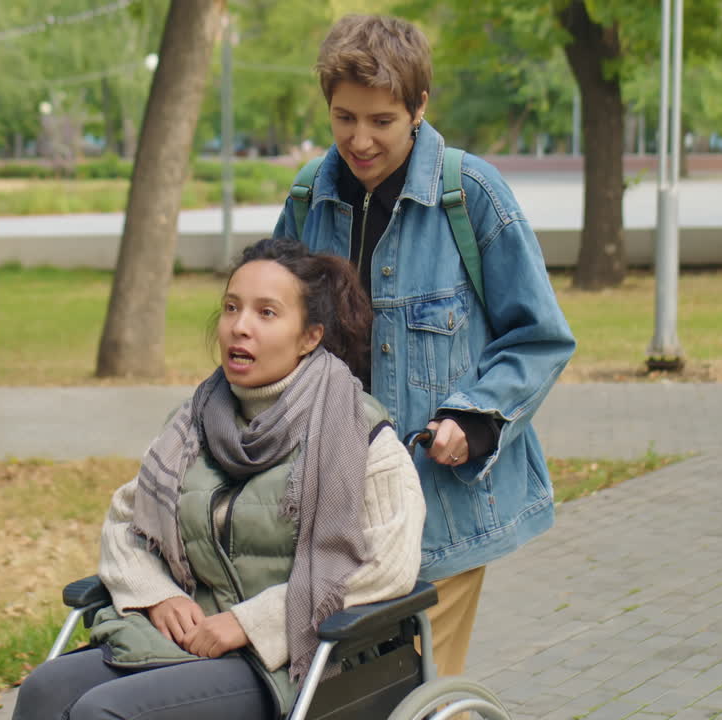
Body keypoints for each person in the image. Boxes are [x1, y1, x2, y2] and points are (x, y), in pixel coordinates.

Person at [273, 15, 577, 679]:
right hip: (329, 506)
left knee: (413, 686)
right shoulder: (307, 200)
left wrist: (473, 417)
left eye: (380, 120)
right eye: (343, 117)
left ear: (419, 108)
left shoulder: (473, 196)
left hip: (437, 509)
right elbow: (277, 334)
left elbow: (540, 338)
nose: (359, 139)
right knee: (350, 687)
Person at [12, 237, 425, 720]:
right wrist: (156, 592)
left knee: (106, 712)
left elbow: (388, 565)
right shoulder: (191, 425)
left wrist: (250, 624)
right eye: (232, 308)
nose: (239, 327)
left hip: (303, 658)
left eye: (266, 313)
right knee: (45, 691)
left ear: (310, 336)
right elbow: (127, 523)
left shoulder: (358, 435)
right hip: (195, 637)